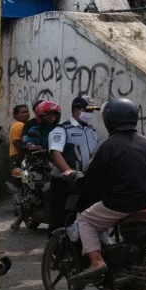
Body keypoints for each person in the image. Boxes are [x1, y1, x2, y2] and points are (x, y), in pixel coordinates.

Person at [70, 98, 146, 283]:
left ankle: (97, 262)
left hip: (123, 204)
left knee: (85, 220)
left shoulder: (107, 145)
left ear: (109, 119)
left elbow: (90, 181)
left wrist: (75, 178)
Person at [45, 97, 100, 231]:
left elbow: (92, 154)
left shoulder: (91, 131)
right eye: (87, 110)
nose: (90, 114)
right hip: (64, 182)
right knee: (62, 219)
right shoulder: (62, 129)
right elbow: (55, 153)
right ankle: (56, 248)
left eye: (92, 111)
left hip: (83, 180)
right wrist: (69, 172)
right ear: (76, 110)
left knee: (89, 216)